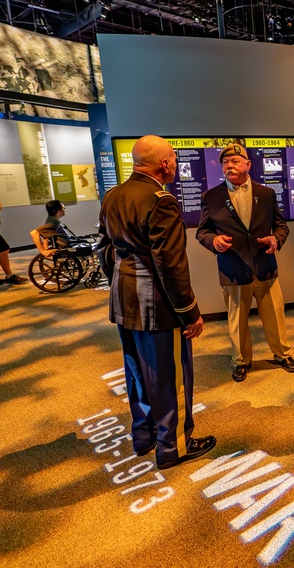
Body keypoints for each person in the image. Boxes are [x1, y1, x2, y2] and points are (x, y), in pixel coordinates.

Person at [97, 135, 215, 470]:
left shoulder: (113, 195)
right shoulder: (160, 200)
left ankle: (144, 436)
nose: (176, 165)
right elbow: (170, 264)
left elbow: (104, 249)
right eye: (174, 159)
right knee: (169, 376)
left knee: (135, 371)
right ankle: (172, 446)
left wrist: (122, 283)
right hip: (157, 305)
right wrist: (189, 312)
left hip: (123, 299)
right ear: (164, 164)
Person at [196, 143, 294, 383]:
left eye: (235, 161)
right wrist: (214, 241)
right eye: (225, 162)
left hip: (265, 267)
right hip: (233, 268)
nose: (229, 165)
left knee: (275, 315)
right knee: (237, 321)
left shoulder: (266, 194)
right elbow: (202, 232)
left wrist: (276, 239)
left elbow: (281, 226)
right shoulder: (211, 197)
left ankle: (282, 354)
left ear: (248, 165)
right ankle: (241, 361)